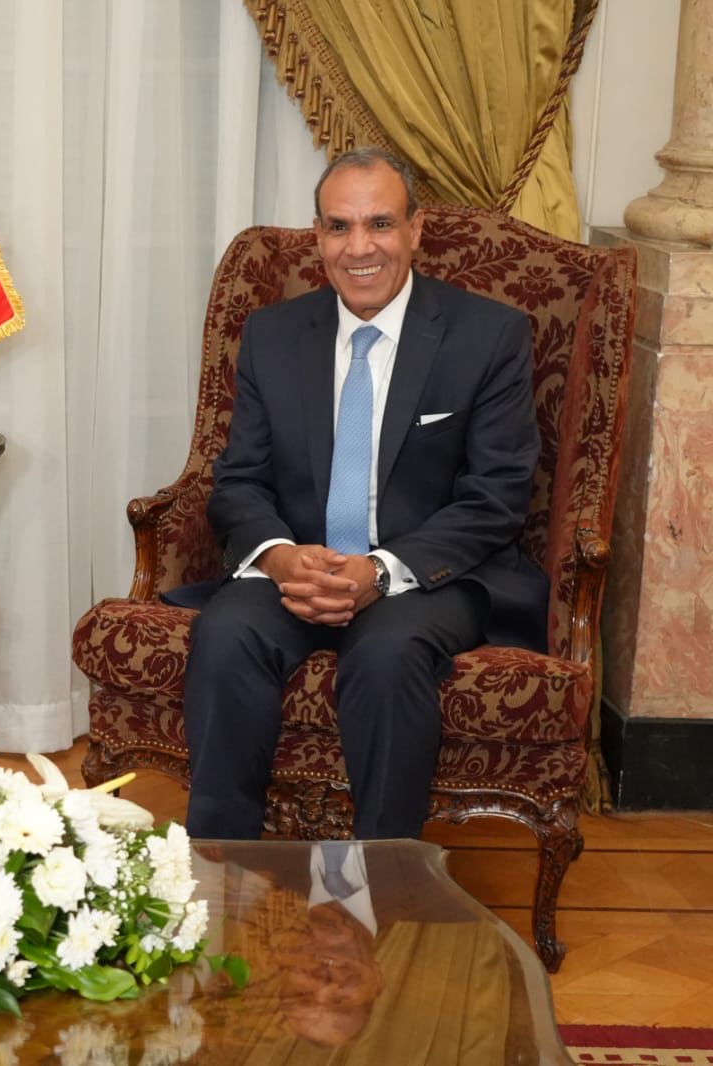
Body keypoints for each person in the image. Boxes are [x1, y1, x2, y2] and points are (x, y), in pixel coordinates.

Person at [178, 147, 547, 841]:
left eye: (379, 223)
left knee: (386, 654)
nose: (359, 248)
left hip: (428, 576)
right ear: (317, 236)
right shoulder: (273, 334)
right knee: (224, 633)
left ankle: (382, 878)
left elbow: (497, 496)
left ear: (415, 228)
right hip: (301, 565)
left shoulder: (488, 336)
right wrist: (281, 558)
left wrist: (378, 572)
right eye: (339, 227)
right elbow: (239, 478)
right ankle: (224, 868)